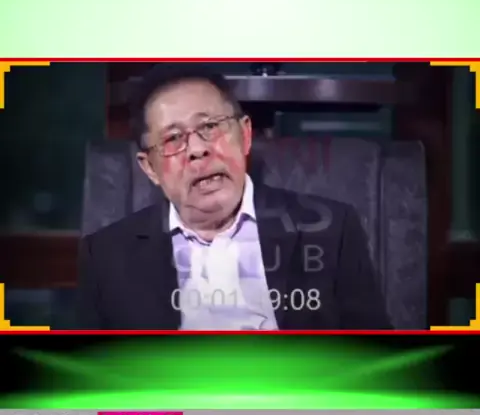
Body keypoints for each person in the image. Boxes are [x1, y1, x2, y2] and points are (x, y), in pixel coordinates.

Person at [77, 64, 392, 330]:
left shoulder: (331, 232)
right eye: (173, 139)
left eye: (210, 126)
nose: (198, 150)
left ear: (245, 135)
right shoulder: (105, 257)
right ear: (150, 168)